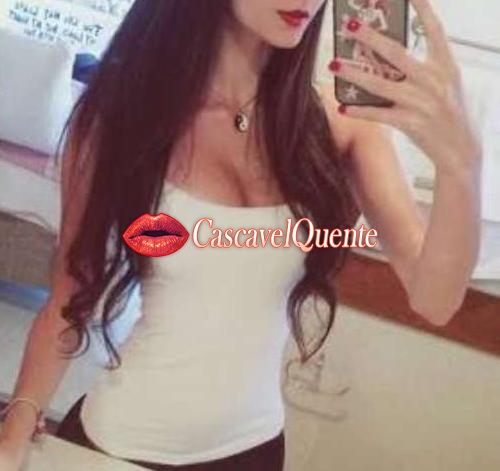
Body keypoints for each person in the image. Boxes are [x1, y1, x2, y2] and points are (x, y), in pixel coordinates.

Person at [0, 0, 482, 469]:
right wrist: (17, 424)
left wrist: (462, 164)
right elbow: (69, 294)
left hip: (258, 449)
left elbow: (435, 299)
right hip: (124, 445)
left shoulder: (339, 125)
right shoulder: (119, 119)